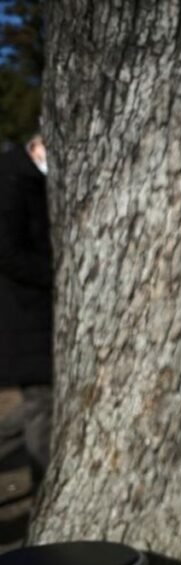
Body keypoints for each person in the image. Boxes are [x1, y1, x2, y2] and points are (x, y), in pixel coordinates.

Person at [0, 133, 53, 483]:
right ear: (36, 145)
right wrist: (57, 275)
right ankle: (45, 486)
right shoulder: (12, 181)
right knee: (41, 404)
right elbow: (8, 252)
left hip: (33, 313)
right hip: (24, 314)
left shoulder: (27, 180)